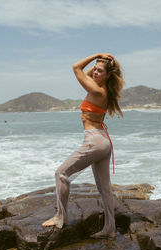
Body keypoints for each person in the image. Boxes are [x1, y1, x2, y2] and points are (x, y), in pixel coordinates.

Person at [42, 53, 124, 239]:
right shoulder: (102, 88)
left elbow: (75, 68)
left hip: (94, 141)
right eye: (95, 69)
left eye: (100, 71)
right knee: (105, 188)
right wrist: (102, 63)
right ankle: (110, 229)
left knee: (61, 174)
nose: (95, 72)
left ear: (108, 75)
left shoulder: (96, 90)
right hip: (103, 141)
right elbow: (87, 73)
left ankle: (60, 217)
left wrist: (97, 55)